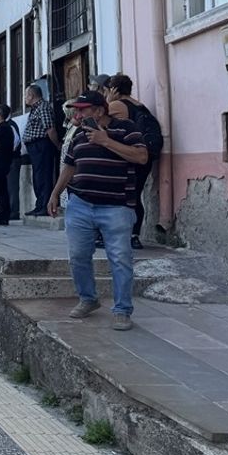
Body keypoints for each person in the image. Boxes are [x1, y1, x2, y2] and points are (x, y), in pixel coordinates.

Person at [49, 91, 150, 331]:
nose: (77, 114)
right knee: (78, 256)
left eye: (82, 109)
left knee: (120, 259)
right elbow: (70, 167)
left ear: (99, 110)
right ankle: (88, 299)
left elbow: (142, 157)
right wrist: (54, 194)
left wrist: (105, 141)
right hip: (80, 204)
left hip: (116, 206)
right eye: (76, 109)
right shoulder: (79, 135)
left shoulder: (127, 129)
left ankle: (122, 310)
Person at [105, 74, 163, 249]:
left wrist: (108, 101)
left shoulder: (115, 106)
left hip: (127, 156)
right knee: (136, 195)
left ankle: (122, 233)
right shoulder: (140, 106)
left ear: (113, 89)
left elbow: (100, 121)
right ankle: (135, 235)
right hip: (145, 156)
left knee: (124, 195)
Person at [23, 85, 61, 217]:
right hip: (34, 147)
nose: (25, 98)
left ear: (31, 95)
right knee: (37, 176)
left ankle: (45, 205)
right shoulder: (35, 109)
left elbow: (49, 128)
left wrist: (57, 145)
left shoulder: (43, 107)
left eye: (26, 95)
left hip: (42, 145)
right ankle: (39, 204)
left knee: (43, 175)